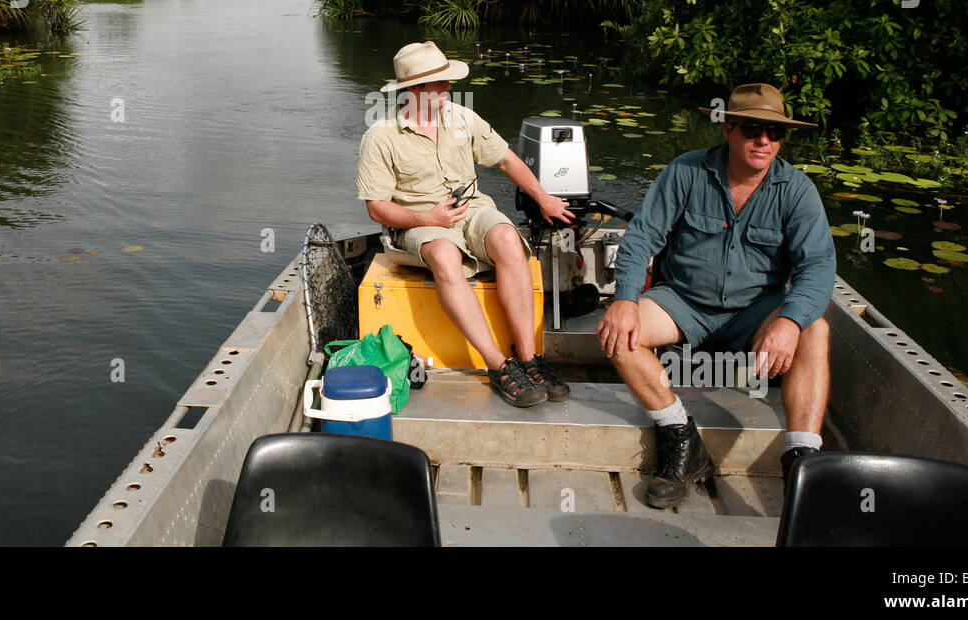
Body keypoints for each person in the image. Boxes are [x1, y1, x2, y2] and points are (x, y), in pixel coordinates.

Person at [596, 83, 836, 508]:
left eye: (774, 133)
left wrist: (787, 322)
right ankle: (681, 439)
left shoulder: (798, 191)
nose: (763, 140)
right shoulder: (686, 171)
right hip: (682, 304)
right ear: (728, 129)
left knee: (814, 328)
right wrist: (626, 299)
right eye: (752, 129)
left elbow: (817, 267)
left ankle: (802, 461)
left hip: (754, 313)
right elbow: (640, 239)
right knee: (618, 332)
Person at [356, 41, 576, 407]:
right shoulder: (380, 136)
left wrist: (543, 197)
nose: (447, 87)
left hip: (470, 209)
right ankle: (498, 366)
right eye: (438, 82)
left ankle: (528, 359)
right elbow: (377, 209)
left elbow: (506, 160)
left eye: (446, 81)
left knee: (507, 237)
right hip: (417, 222)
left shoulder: (461, 117)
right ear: (413, 90)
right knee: (444, 254)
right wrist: (428, 218)